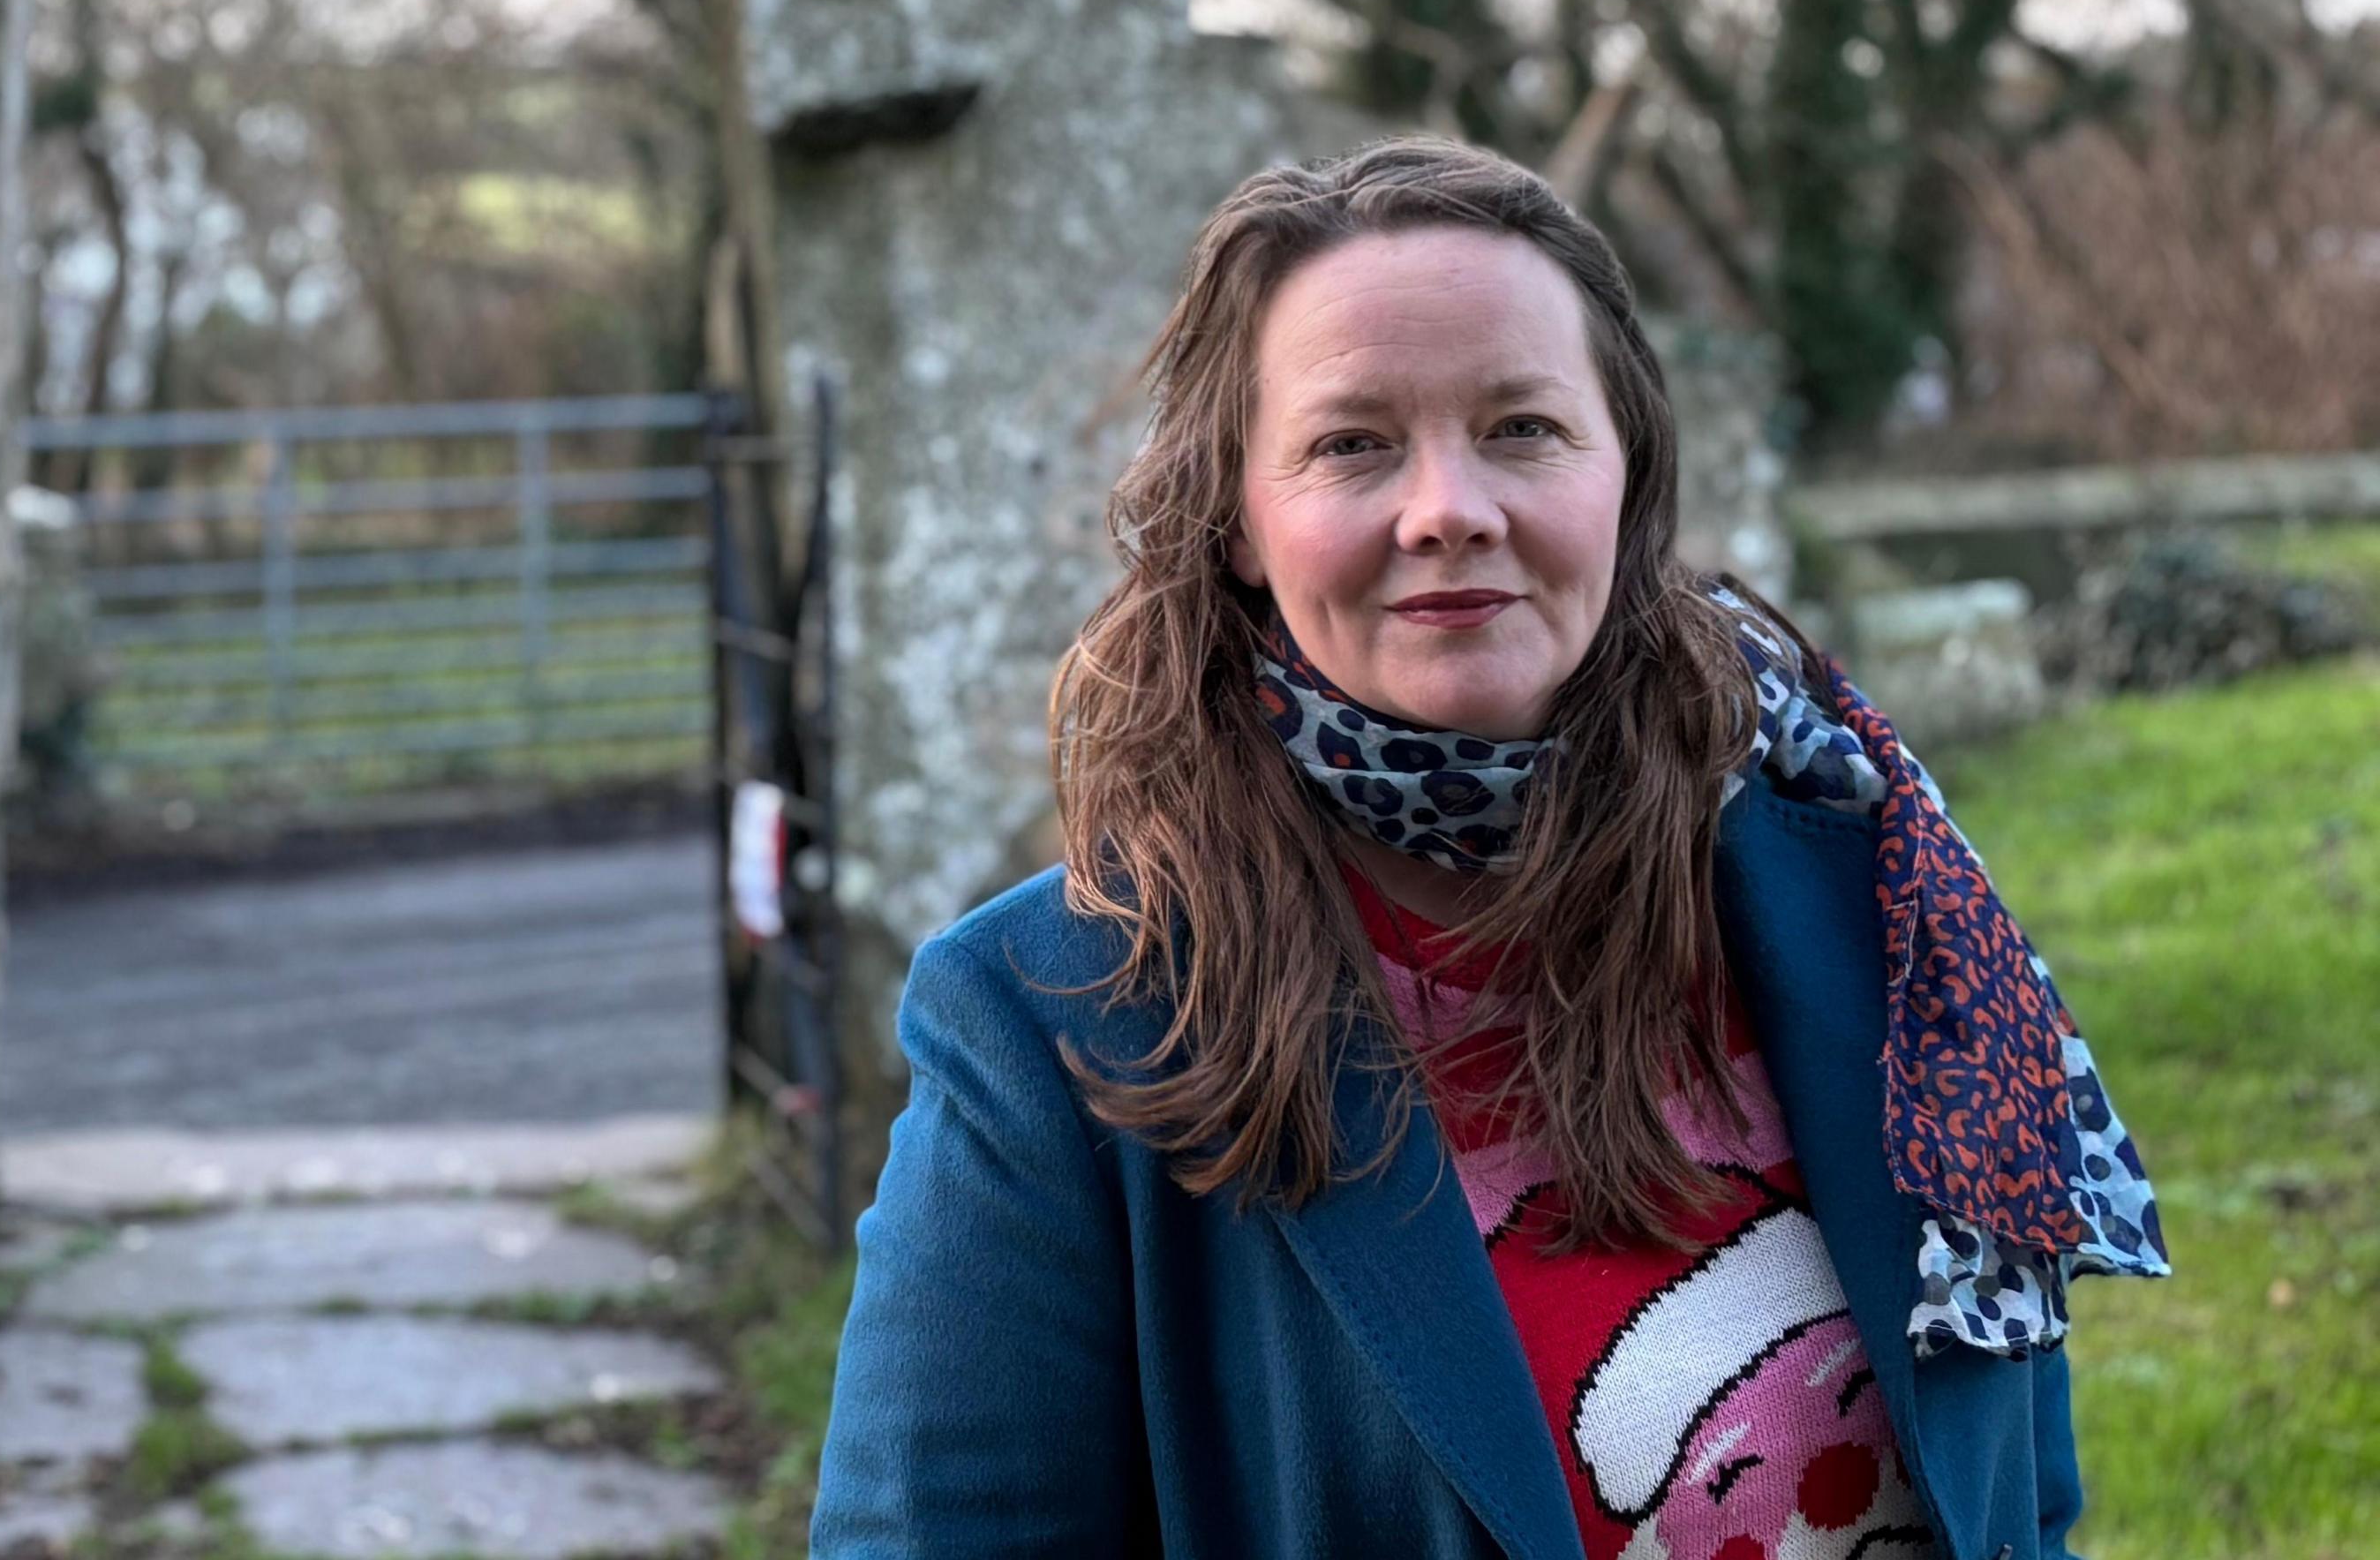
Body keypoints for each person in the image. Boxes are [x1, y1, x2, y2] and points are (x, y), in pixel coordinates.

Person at [807, 138, 2166, 1560]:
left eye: (1522, 426)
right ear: (1241, 523)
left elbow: (2014, 1486)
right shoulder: (1053, 1017)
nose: (1450, 505)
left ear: (1626, 477)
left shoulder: (1877, 894)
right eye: (1353, 443)